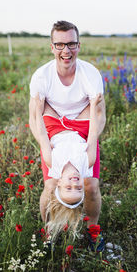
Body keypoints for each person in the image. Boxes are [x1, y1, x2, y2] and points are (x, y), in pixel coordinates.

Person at [29, 20, 106, 247]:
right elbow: (35, 117)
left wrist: (91, 140)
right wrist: (44, 145)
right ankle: (48, 231)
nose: (66, 50)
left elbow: (99, 114)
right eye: (60, 45)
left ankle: (93, 231)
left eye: (71, 44)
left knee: (91, 185)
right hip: (52, 123)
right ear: (52, 47)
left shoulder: (90, 73)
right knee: (51, 185)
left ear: (79, 46)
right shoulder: (41, 76)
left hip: (83, 123)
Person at [34, 93, 102, 239]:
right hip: (81, 127)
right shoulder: (87, 163)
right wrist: (93, 106)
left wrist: (39, 110)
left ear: (59, 182)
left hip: (55, 127)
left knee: (43, 99)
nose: (74, 183)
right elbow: (93, 134)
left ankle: (48, 231)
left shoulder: (52, 162)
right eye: (78, 188)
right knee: (92, 102)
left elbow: (42, 134)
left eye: (68, 187)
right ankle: (93, 233)